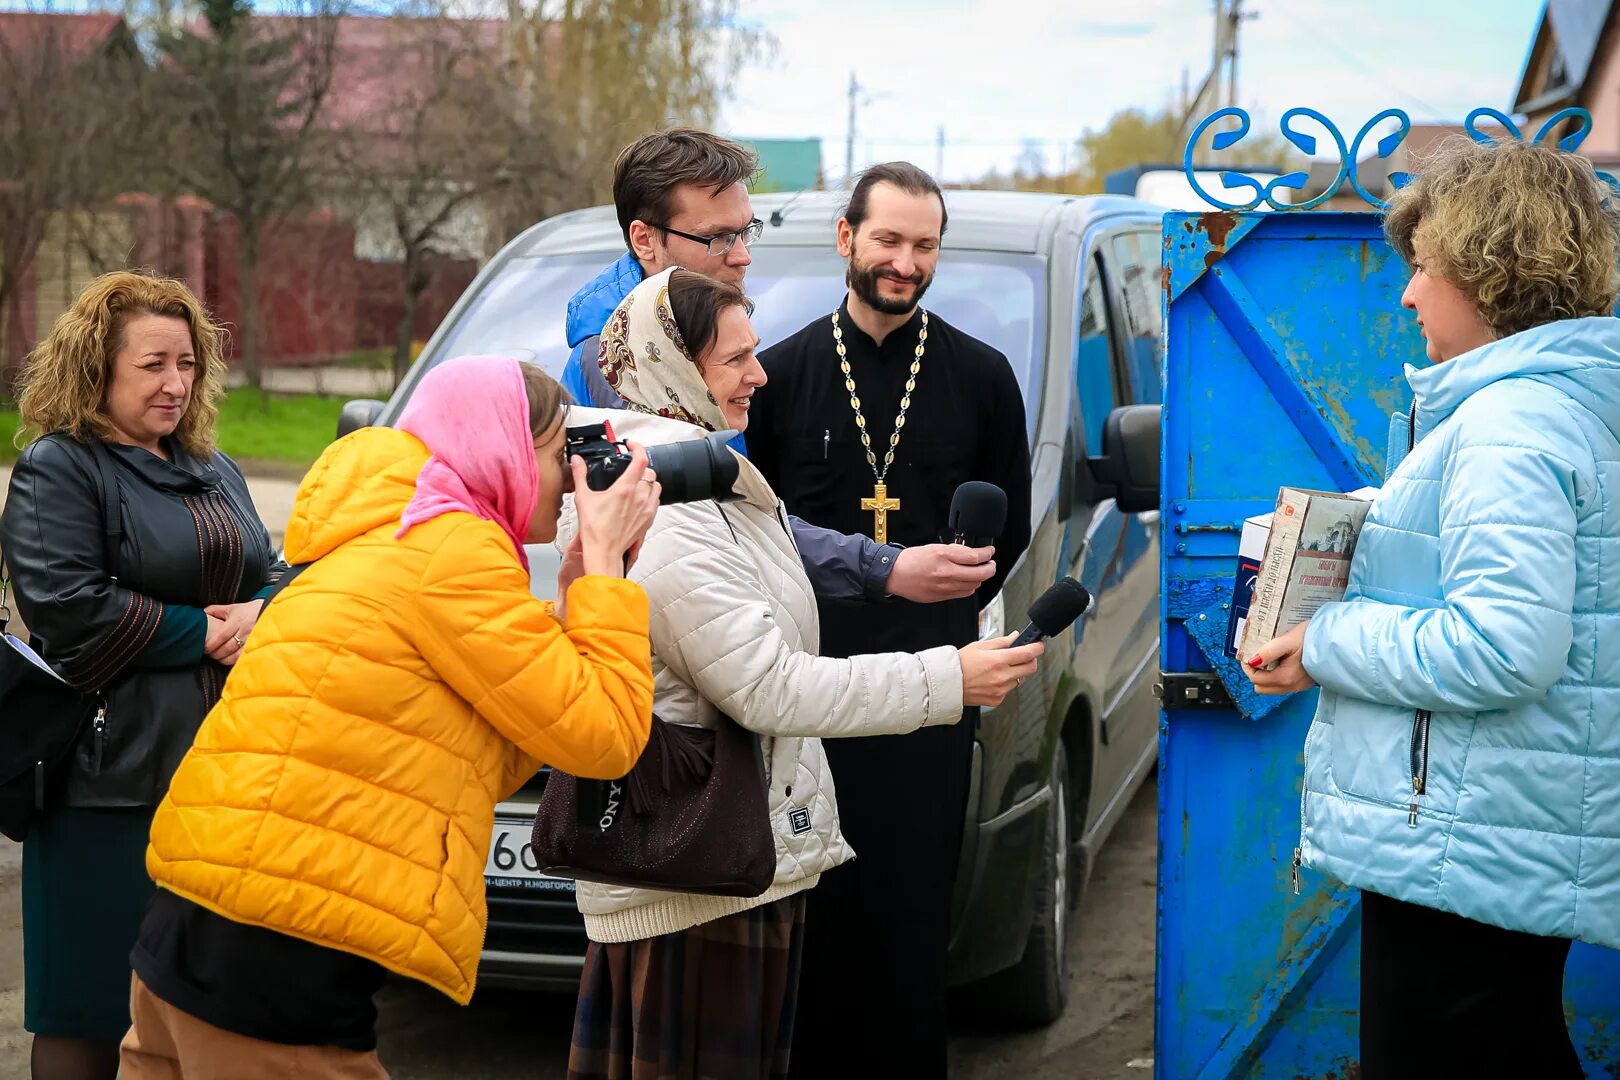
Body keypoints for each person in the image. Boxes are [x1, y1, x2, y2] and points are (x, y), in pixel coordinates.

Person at [562, 268, 1045, 1080]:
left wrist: (888, 571)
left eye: (754, 355)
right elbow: (771, 687)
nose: (759, 375)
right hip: (697, 883)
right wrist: (950, 679)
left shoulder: (694, 474)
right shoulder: (666, 506)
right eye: (734, 361)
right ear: (672, 364)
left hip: (722, 869)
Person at [120, 356, 661, 1077]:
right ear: (502, 443)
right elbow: (605, 737)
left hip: (205, 916)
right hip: (281, 944)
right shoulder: (451, 551)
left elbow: (472, 747)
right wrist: (605, 568)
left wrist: (572, 597)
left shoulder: (384, 534)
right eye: (563, 453)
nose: (571, 479)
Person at [1246, 137, 1620, 1079]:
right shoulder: (1555, 410)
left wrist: (1326, 638)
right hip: (1495, 823)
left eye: (1424, 268)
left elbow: (1501, 647)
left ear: (1492, 269)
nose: (1408, 295)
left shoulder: (1511, 425)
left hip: (1470, 837)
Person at [743, 161, 1032, 1076]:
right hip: (809, 692)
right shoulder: (780, 377)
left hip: (929, 693)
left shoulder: (983, 378)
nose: (905, 262)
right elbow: (752, 535)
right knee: (812, 918)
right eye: (889, 240)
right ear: (847, 239)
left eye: (924, 245)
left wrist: (953, 600)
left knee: (912, 919)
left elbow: (1009, 529)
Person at [0, 270, 283, 1080]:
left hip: (219, 769)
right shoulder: (62, 467)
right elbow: (70, 609)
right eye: (153, 364)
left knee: (192, 1005)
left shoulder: (211, 464)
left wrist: (262, 611)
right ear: (99, 368)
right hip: (104, 782)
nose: (176, 383)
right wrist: (204, 630)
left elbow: (272, 568)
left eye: (187, 364)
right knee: (88, 1002)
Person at [559, 126, 994, 608]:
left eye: (746, 231)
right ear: (644, 239)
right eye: (718, 238)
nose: (743, 256)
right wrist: (882, 566)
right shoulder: (622, 363)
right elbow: (726, 521)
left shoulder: (686, 331)